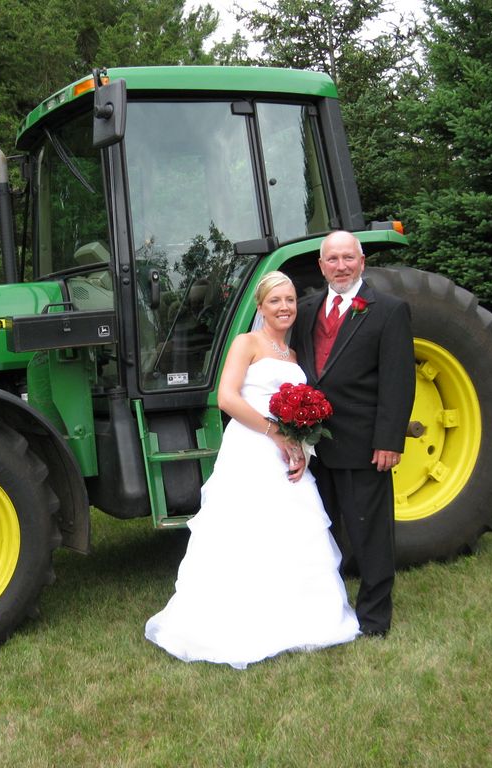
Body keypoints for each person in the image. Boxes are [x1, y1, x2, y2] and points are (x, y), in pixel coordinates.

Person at [145, 271, 360, 669]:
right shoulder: (247, 344)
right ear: (260, 307)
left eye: (290, 300)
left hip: (286, 455)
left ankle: (298, 618)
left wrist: (300, 447)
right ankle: (241, 622)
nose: (284, 308)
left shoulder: (294, 357)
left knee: (291, 532)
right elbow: (226, 397)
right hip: (250, 450)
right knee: (247, 533)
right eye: (275, 301)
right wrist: (276, 433)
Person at [293, 231, 416, 637]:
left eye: (349, 258)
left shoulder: (389, 310)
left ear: (362, 262)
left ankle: (375, 619)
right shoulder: (308, 308)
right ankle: (329, 610)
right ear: (322, 266)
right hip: (317, 445)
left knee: (370, 534)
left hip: (365, 444)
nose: (341, 266)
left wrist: (389, 440)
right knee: (322, 532)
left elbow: (398, 381)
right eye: (333, 259)